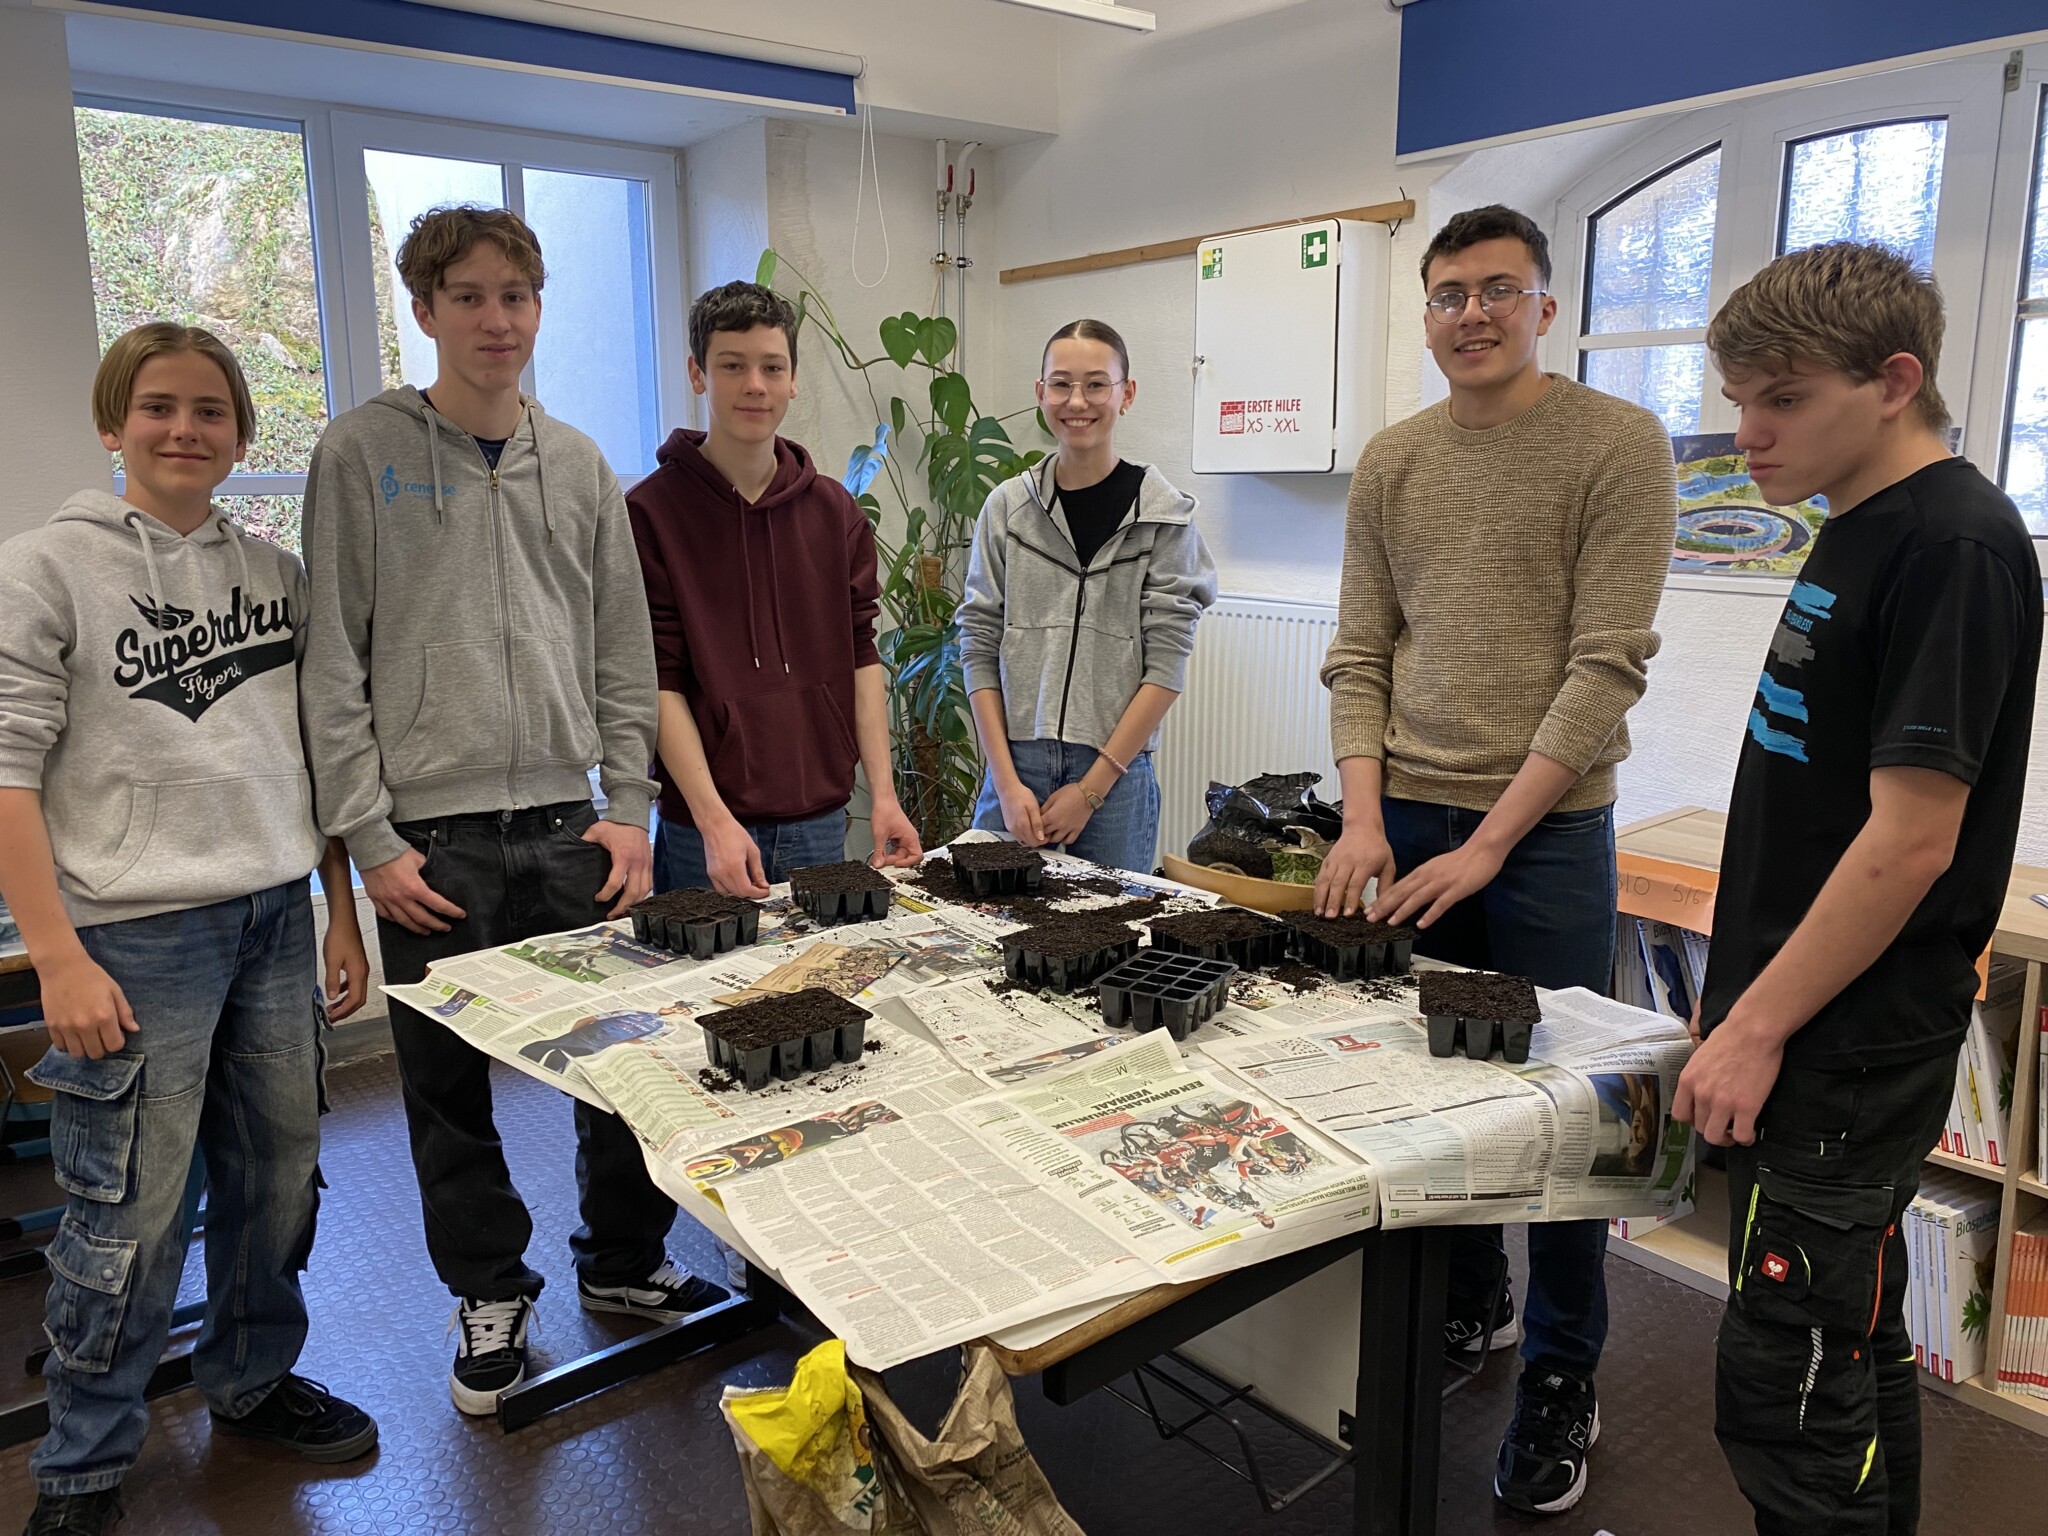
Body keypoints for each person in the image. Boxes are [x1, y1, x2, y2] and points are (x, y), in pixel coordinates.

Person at [299, 206, 723, 1420]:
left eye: (515, 297)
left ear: (538, 309)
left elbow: (622, 651)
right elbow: (331, 663)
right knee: (445, 1091)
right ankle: (489, 1293)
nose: (496, 320)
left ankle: (624, 1259)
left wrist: (629, 808)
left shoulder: (578, 464)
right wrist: (371, 840)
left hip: (566, 826)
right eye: (469, 297)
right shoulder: (358, 454)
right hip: (427, 845)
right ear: (424, 310)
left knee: (618, 1066)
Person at [1314, 205, 1677, 1516]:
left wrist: (1487, 844)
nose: (1471, 313)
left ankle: (1561, 1373)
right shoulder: (1393, 460)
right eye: (1448, 293)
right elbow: (1360, 651)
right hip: (1405, 823)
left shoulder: (1617, 444)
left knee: (1568, 1113)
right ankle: (1473, 1298)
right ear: (1425, 314)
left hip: (1543, 840)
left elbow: (1605, 668)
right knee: (1432, 1089)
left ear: (1545, 308)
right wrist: (1362, 817)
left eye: (1497, 290)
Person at [1678, 242, 2040, 1536]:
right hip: (1808, 1016)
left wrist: (1757, 1027)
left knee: (1789, 1396)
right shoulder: (1860, 521)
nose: (1746, 433)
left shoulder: (1952, 545)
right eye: (1738, 400)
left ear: (1892, 381)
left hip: (1841, 1045)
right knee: (1850, 1343)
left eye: (1781, 399)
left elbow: (1908, 844)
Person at [0, 324, 377, 1536]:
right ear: (112, 422)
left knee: (276, 1180)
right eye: (158, 407)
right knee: (131, 1210)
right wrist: (56, 952)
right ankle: (82, 1465)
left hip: (274, 917)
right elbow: (7, 774)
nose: (184, 429)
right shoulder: (42, 571)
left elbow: (317, 757)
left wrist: (339, 912)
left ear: (240, 434)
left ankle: (252, 1382)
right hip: (133, 938)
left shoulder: (276, 575)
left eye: (211, 411)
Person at [626, 280, 922, 895]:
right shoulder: (650, 513)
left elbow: (862, 656)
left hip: (820, 820)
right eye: (732, 366)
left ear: (793, 381)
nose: (755, 385)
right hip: (704, 830)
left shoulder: (835, 511)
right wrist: (713, 820)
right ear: (697, 374)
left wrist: (885, 796)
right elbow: (658, 678)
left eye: (772, 367)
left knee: (824, 963)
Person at [958, 319, 1217, 873]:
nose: (1077, 402)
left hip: (1115, 777)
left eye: (1097, 384)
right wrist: (1005, 783)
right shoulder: (1006, 510)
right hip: (1014, 770)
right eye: (1061, 384)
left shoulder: (1166, 518)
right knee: (986, 920)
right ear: (1040, 392)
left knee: (1110, 923)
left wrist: (1092, 790)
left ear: (1127, 394)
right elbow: (978, 644)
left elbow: (1166, 665)